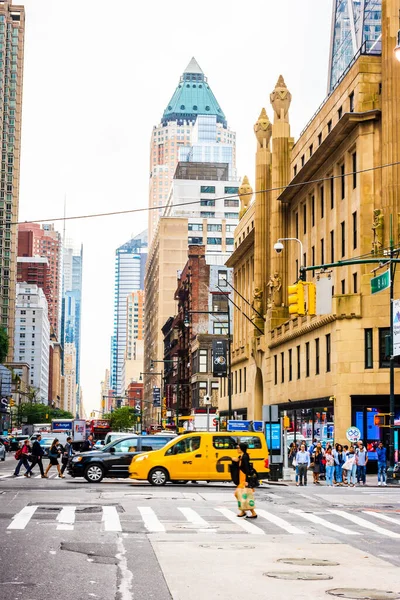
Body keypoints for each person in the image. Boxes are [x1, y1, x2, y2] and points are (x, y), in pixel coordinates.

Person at [233, 442, 257, 519]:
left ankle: (251, 512)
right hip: (241, 478)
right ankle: (245, 511)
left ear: (242, 448)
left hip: (244, 479)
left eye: (238, 448)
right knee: (242, 495)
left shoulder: (245, 457)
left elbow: (247, 469)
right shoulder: (242, 456)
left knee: (241, 494)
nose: (237, 449)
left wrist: (247, 480)